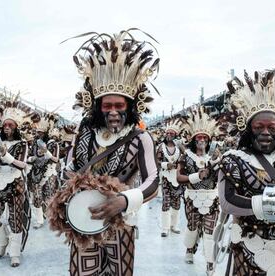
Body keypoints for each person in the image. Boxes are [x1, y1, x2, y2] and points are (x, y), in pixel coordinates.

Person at [60, 29, 160, 275]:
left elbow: (153, 181)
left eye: (119, 105)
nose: (113, 111)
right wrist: (69, 190)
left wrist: (125, 200)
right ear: (98, 107)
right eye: (107, 105)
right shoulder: (83, 131)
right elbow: (70, 166)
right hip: (83, 219)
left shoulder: (141, 137)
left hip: (121, 223)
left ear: (130, 106)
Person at [218, 71, 275, 275]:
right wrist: (273, 204)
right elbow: (227, 201)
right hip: (250, 247)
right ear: (248, 129)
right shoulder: (233, 159)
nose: (266, 132)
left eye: (272, 127)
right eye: (259, 127)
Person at [177, 106, 221, 275]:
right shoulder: (186, 156)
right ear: (194, 139)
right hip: (192, 197)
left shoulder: (216, 156)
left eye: (204, 137)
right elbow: (178, 178)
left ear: (208, 140)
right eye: (199, 137)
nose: (201, 140)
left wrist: (218, 167)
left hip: (212, 198)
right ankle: (189, 250)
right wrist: (196, 176)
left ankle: (210, 263)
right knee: (193, 227)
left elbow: (221, 177)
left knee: (210, 232)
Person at [0, 101, 30, 267]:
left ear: (15, 127)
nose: (7, 127)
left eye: (10, 125)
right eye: (5, 125)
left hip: (15, 185)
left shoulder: (22, 144)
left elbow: (23, 164)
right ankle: (4, 242)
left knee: (15, 220)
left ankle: (15, 253)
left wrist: (5, 157)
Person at [157, 120, 184, 237]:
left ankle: (174, 225)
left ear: (175, 135)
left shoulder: (179, 147)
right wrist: (165, 165)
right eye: (167, 134)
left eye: (171, 134)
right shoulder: (161, 147)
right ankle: (165, 228)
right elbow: (157, 160)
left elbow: (186, 157)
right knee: (166, 202)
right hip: (166, 178)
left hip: (177, 177)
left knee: (177, 202)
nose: (168, 136)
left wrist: (180, 164)